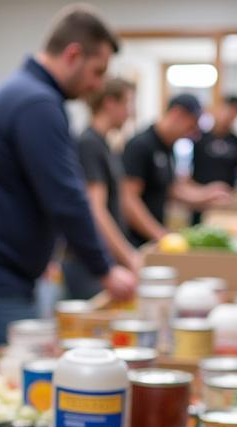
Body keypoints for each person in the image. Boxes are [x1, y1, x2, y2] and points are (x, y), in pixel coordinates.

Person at [0, 4, 137, 367]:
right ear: (72, 55)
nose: (97, 85)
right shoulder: (36, 102)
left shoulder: (27, 93)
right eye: (97, 71)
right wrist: (105, 269)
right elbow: (66, 196)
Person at [62, 76, 140, 300]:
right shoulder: (89, 144)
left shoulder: (105, 144)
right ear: (109, 103)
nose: (130, 112)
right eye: (127, 103)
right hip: (87, 266)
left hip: (103, 260)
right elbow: (95, 210)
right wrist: (129, 256)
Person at [121, 93, 231, 247]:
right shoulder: (141, 145)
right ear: (176, 114)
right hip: (135, 241)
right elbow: (128, 199)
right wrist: (160, 234)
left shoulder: (167, 146)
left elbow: (172, 189)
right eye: (191, 126)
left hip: (152, 239)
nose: (191, 133)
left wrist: (205, 195)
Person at [190, 94, 237, 224]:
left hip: (226, 201)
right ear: (218, 109)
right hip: (200, 201)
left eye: (235, 114)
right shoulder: (199, 138)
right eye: (228, 110)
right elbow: (186, 172)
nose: (229, 116)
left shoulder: (236, 141)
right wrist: (198, 194)